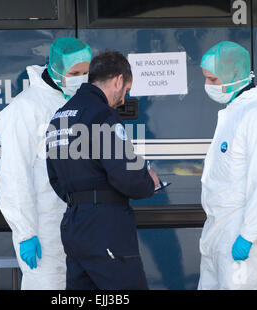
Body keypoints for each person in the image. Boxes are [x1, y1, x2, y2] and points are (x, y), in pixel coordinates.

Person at [45, 50, 160, 290]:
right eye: (126, 90)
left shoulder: (58, 118)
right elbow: (126, 175)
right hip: (106, 226)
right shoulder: (103, 115)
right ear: (118, 80)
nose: (123, 98)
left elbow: (55, 178)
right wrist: (150, 182)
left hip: (73, 224)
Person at [0, 37, 92, 290]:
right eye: (74, 73)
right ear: (55, 68)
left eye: (86, 72)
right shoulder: (24, 109)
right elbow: (14, 176)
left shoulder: (77, 100)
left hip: (78, 223)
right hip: (45, 228)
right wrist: (26, 233)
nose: (81, 78)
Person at [198, 41, 257, 289]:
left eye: (213, 80)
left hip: (238, 230)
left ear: (234, 75)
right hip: (217, 230)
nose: (208, 86)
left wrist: (247, 236)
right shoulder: (233, 114)